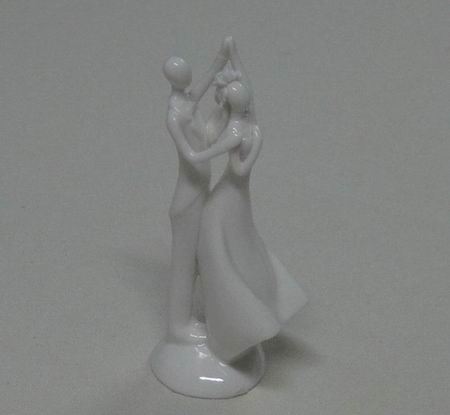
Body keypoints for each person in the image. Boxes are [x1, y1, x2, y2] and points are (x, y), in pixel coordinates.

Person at [190, 40, 307, 362]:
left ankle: (231, 323)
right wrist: (231, 54)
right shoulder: (253, 125)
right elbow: (246, 85)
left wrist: (195, 153)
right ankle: (215, 311)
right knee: (240, 247)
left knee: (216, 250)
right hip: (238, 197)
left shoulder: (237, 132)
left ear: (228, 103)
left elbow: (236, 168)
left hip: (228, 197)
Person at [162, 38, 230, 342]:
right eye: (183, 73)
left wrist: (224, 55)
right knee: (184, 264)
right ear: (172, 79)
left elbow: (210, 74)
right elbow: (190, 154)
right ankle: (179, 327)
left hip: (200, 193)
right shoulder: (175, 114)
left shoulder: (188, 101)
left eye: (188, 71)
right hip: (188, 199)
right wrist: (223, 146)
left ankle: (203, 317)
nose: (189, 76)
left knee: (202, 258)